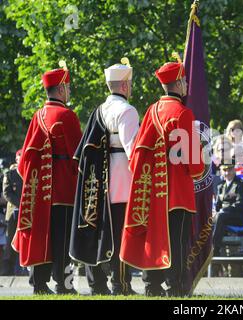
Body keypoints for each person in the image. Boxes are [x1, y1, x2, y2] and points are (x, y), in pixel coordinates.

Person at [120, 59, 205, 297]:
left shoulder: (152, 111)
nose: (187, 84)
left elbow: (136, 153)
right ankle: (176, 287)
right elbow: (194, 163)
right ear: (177, 83)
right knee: (177, 243)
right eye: (185, 80)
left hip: (153, 192)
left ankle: (152, 285)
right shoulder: (183, 113)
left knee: (154, 238)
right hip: (177, 192)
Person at [70, 59, 139, 295]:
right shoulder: (128, 111)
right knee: (121, 234)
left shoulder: (98, 110)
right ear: (125, 86)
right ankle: (121, 284)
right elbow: (133, 150)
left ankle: (97, 284)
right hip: (121, 182)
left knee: (96, 229)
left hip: (96, 183)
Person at [13, 62, 82, 294]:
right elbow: (78, 156)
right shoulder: (66, 115)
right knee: (63, 240)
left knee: (40, 235)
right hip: (63, 188)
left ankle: (39, 284)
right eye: (69, 87)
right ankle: (64, 284)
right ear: (61, 89)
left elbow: (24, 160)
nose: (70, 91)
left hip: (39, 190)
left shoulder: (38, 116)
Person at [213, 162, 243, 257]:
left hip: (238, 217)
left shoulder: (241, 184)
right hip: (222, 217)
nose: (227, 173)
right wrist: (214, 212)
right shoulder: (220, 186)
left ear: (234, 170)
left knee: (220, 216)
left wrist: (225, 210)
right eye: (224, 170)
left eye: (229, 170)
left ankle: (214, 249)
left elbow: (241, 204)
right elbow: (217, 205)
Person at [1, 149, 23, 275]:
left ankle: (23, 270)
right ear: (16, 159)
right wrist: (21, 203)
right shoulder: (10, 174)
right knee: (10, 242)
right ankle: (6, 272)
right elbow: (7, 193)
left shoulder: (28, 172)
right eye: (20, 159)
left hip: (26, 213)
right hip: (13, 213)